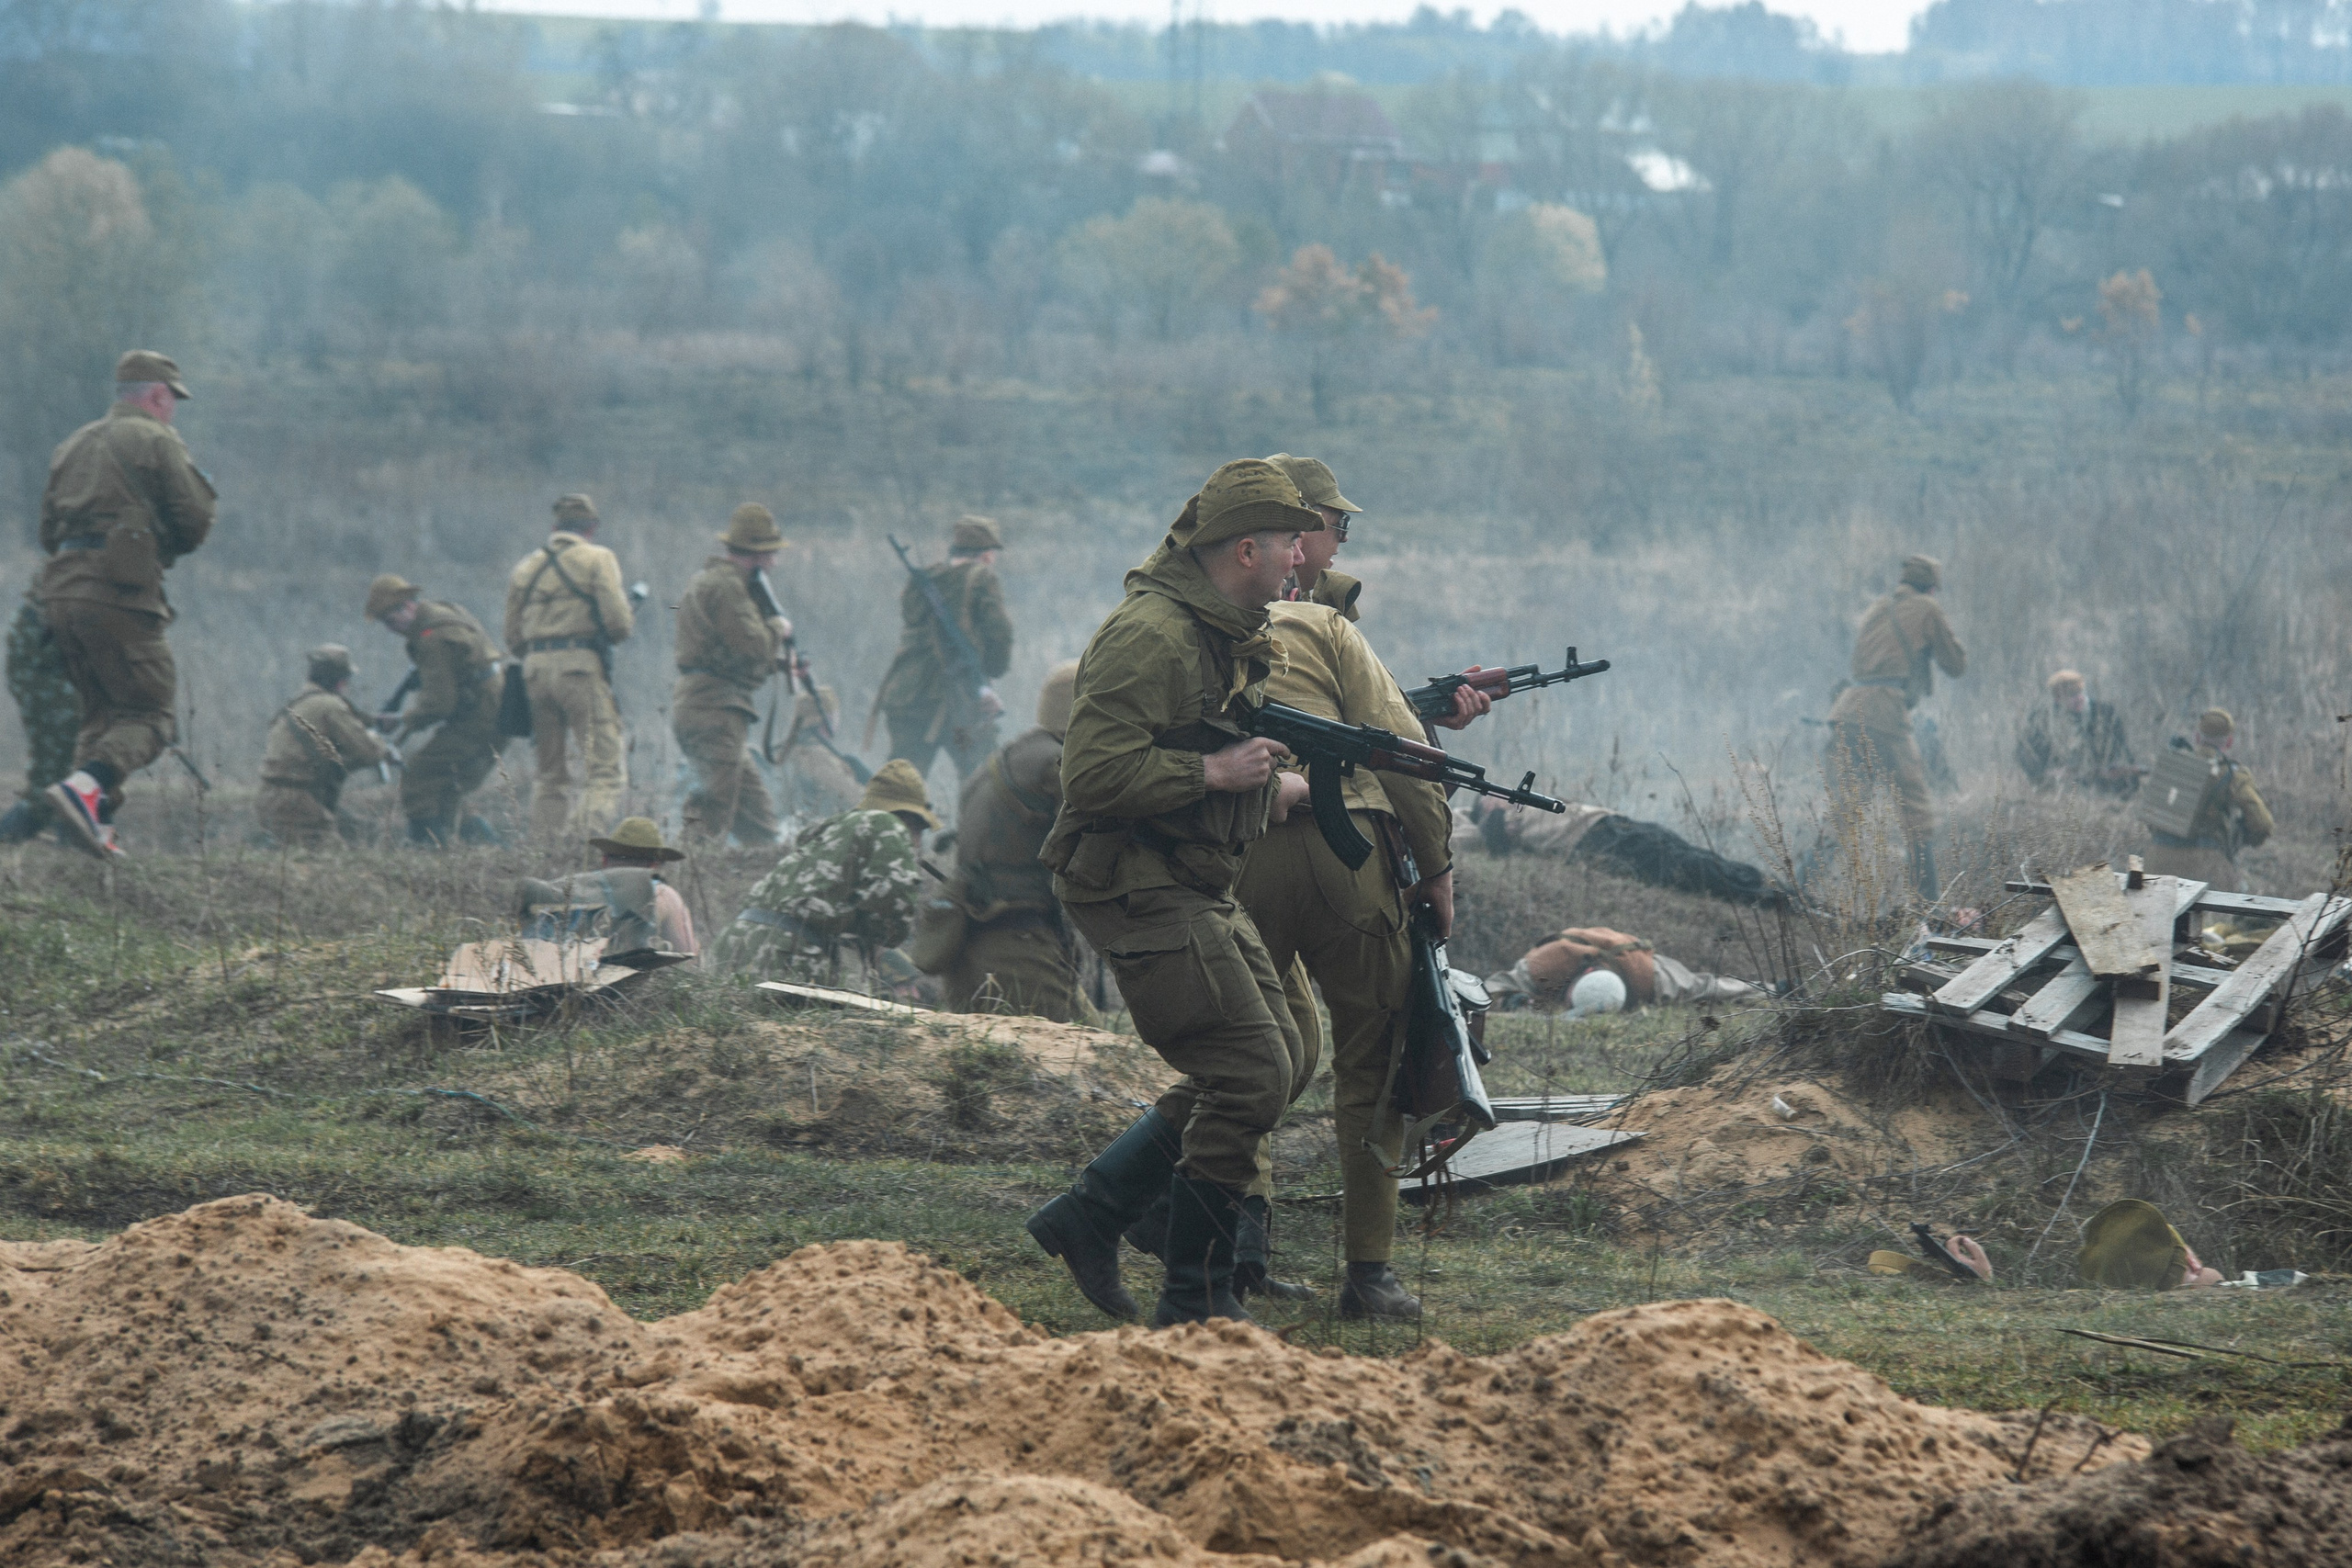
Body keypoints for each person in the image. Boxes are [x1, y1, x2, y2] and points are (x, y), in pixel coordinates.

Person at [1024, 458, 1321, 1329]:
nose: (1301, 559)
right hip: (1132, 881)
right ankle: (1193, 1300)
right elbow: (1092, 773)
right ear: (1242, 550)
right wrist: (1214, 770)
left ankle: (1093, 1213)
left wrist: (1262, 785)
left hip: (1193, 875)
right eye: (1288, 543)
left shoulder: (1225, 628)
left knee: (1287, 1059)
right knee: (1251, 1071)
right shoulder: (1152, 635)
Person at [1227, 453, 1483, 1321]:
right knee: (1369, 1064)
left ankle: (1237, 1250)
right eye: (1333, 526)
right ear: (1290, 537)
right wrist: (1439, 873)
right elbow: (1407, 758)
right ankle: (1369, 1272)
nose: (1339, 542)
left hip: (1246, 851)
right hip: (1353, 860)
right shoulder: (1330, 634)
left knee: (1247, 1051)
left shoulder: (1198, 632)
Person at [38, 351, 217, 858]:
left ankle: (87, 833)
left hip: (61, 593)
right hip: (119, 595)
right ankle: (85, 789)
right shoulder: (156, 439)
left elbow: (47, 531)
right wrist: (158, 547)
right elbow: (195, 519)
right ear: (159, 395)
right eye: (172, 401)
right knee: (151, 714)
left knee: (102, 716)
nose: (172, 410)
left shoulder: (72, 445)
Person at [918, 661, 1089, 1022]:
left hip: (974, 946)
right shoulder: (1056, 765)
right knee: (1090, 1061)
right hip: (1015, 950)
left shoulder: (1007, 758)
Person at [707, 758, 940, 989]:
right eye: (919, 830)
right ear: (909, 819)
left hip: (733, 945)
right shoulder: (889, 825)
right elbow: (894, 903)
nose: (918, 842)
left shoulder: (831, 832)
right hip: (790, 954)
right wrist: (885, 939)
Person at [1823, 554, 1967, 901]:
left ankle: (1798, 886)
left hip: (1847, 709)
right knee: (1916, 809)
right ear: (1932, 587)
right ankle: (1928, 903)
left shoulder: (1876, 609)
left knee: (1846, 810)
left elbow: (1860, 661)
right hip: (1886, 712)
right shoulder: (1928, 609)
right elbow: (1956, 664)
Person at [507, 493, 635, 840]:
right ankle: (577, 842)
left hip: (533, 672)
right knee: (605, 771)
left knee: (550, 774)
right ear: (591, 528)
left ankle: (541, 848)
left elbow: (513, 636)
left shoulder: (525, 567)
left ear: (554, 528)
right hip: (579, 669)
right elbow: (619, 624)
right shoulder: (598, 558)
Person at [673, 503, 793, 847]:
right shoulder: (727, 587)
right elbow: (752, 644)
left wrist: (780, 666)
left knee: (759, 822)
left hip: (711, 706)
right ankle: (683, 885)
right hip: (714, 710)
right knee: (709, 816)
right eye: (770, 555)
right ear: (755, 555)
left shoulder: (710, 582)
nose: (773, 564)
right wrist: (778, 628)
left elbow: (723, 652)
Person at [366, 573, 505, 847]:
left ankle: (427, 849)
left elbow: (439, 704)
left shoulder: (430, 638)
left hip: (478, 714)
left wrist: (402, 721)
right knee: (449, 783)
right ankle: (466, 847)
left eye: (390, 620)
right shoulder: (445, 612)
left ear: (406, 607)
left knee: (418, 776)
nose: (390, 628)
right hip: (492, 706)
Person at [874, 515, 1012, 785]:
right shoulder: (982, 578)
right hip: (960, 708)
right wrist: (989, 677)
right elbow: (1000, 634)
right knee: (985, 783)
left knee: (900, 786)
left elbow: (910, 619)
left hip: (909, 700)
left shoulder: (925, 580)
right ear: (985, 555)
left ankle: (884, 827)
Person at [1456, 796, 1788, 907]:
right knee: (1692, 868)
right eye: (1493, 801)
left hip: (1611, 823)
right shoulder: (1487, 822)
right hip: (1596, 841)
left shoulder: (1517, 803)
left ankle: (1774, 889)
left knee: (1696, 857)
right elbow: (1473, 839)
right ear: (1484, 808)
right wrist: (1496, 818)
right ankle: (1771, 898)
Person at [254, 644, 390, 849]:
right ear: (340, 680)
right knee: (331, 859)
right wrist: (381, 744)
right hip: (297, 801)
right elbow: (369, 752)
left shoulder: (299, 702)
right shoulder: (330, 705)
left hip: (271, 796)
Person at [516, 816, 697, 959]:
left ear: (605, 859)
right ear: (654, 864)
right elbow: (688, 959)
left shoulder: (569, 887)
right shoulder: (663, 893)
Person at [1483, 926, 1764, 1012]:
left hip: (1632, 958)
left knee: (1699, 987)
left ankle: (1773, 989)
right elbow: (1494, 986)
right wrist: (1514, 999)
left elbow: (1708, 987)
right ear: (1570, 989)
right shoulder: (1549, 963)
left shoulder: (1648, 977)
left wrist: (1768, 992)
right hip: (1578, 948)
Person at [2142, 708, 2272, 892]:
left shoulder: (2173, 764)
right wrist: (2241, 839)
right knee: (2238, 910)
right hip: (2207, 865)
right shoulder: (2232, 774)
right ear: (2229, 741)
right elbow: (2263, 824)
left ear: (2196, 737)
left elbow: (2151, 816)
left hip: (2156, 863)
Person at [0, 592, 79, 843]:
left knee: (63, 765)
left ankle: (70, 835)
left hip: (48, 663)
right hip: (41, 666)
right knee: (57, 766)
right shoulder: (76, 568)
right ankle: (67, 834)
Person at [2017, 669, 2139, 796]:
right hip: (2062, 789)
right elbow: (2027, 755)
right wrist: (2047, 773)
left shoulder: (2105, 713)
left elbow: (2122, 749)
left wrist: (2116, 769)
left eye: (2079, 692)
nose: (2078, 698)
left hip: (2104, 785)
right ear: (2057, 698)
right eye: (2070, 695)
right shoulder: (2041, 719)